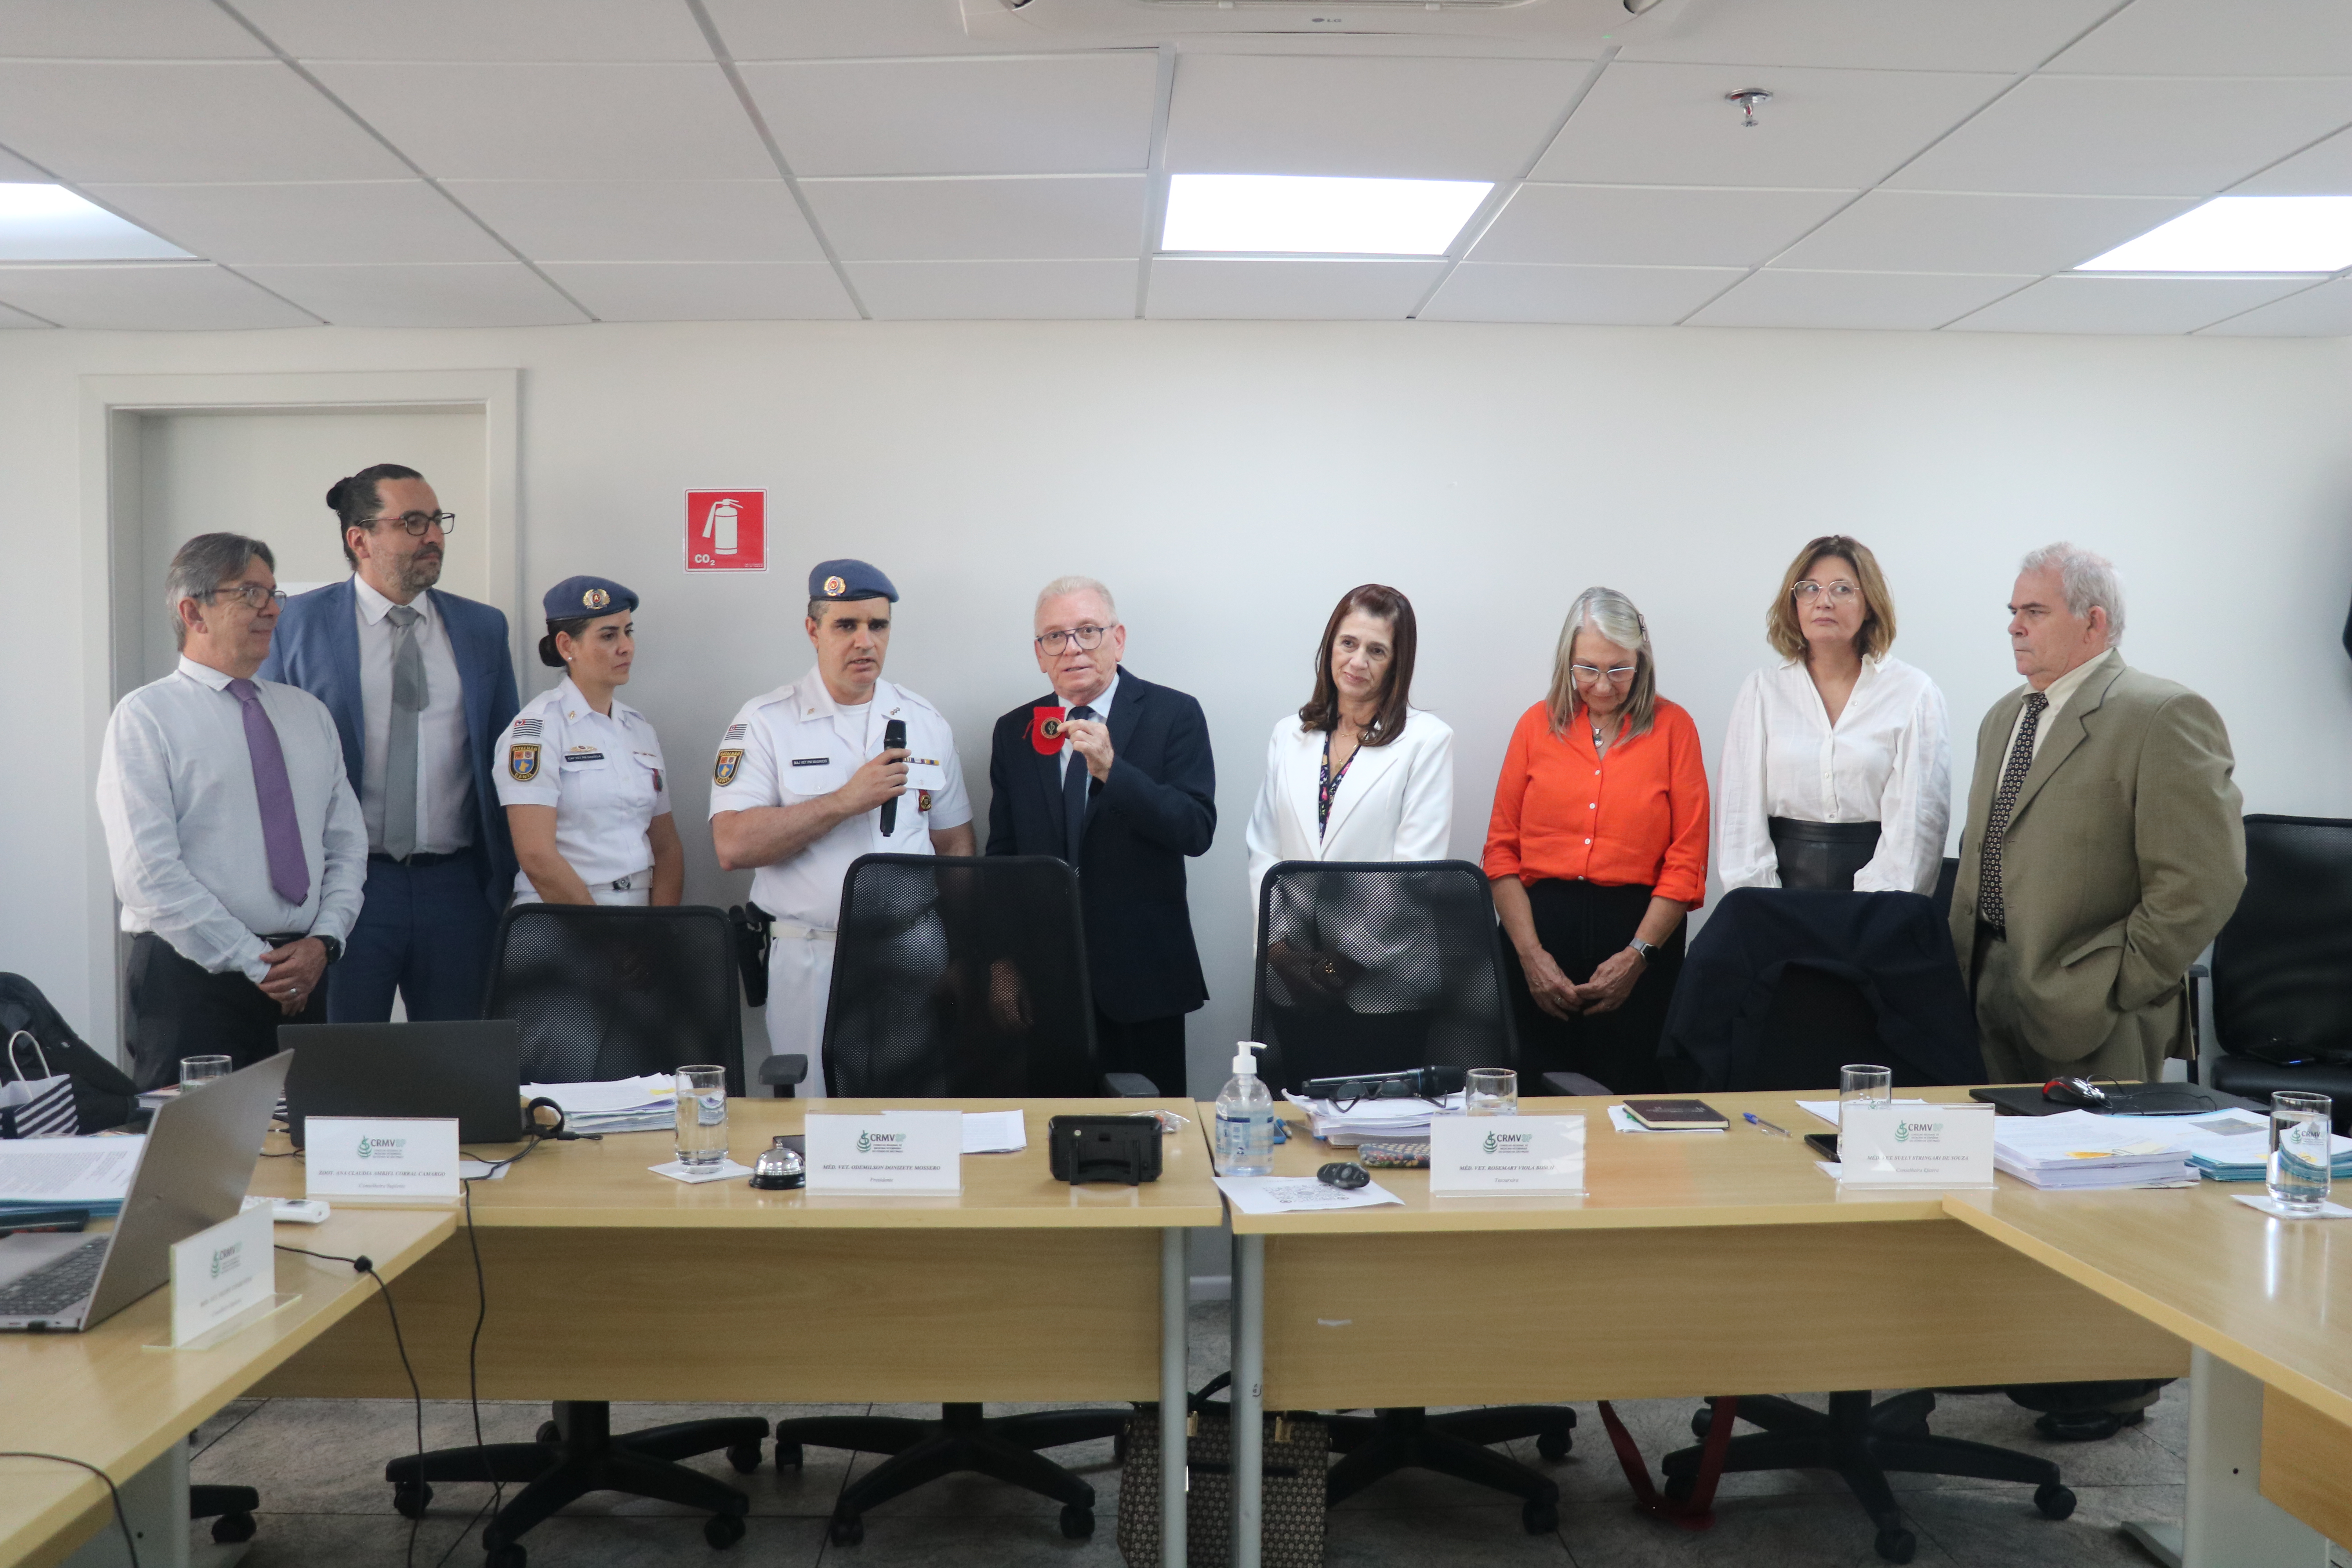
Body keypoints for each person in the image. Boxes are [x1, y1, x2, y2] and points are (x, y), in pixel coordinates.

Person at [1951, 544, 2243, 1085]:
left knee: (2100, 1168)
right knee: (1996, 1168)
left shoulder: (2161, 715)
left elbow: (2204, 880)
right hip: (1984, 993)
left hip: (2094, 1007)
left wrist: (2121, 983)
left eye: (2034, 612)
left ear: (2093, 623)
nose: (2015, 627)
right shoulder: (2002, 718)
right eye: (2013, 612)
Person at [96, 534, 366, 1090]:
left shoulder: (307, 715)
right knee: (193, 1163)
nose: (271, 608)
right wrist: (254, 960)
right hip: (192, 978)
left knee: (304, 1153)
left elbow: (345, 845)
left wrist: (324, 942)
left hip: (304, 975)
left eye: (273, 593)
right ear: (192, 611)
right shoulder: (146, 717)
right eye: (249, 593)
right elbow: (147, 874)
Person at [257, 463, 519, 1023]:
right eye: (414, 522)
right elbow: (267, 765)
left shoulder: (482, 630)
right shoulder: (294, 626)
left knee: (460, 1071)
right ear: (361, 539)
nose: (434, 536)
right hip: (346, 888)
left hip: (457, 888)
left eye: (438, 520)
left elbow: (505, 762)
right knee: (344, 1072)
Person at [710, 561, 974, 1096]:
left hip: (912, 948)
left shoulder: (925, 720)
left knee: (914, 1114)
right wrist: (844, 801)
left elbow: (955, 845)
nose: (864, 642)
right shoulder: (765, 722)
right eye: (846, 625)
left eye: (877, 626)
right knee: (817, 1115)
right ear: (813, 630)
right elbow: (732, 845)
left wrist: (963, 951)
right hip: (814, 954)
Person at [987, 576, 1216, 1098]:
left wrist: (1114, 770)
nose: (1073, 649)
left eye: (1088, 631)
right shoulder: (1015, 731)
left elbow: (1196, 829)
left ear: (1119, 639)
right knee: (1050, 1142)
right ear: (1040, 655)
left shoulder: (1174, 714)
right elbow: (1001, 861)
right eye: (1055, 637)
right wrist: (1002, 964)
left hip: (1144, 978)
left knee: (1150, 1144)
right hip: (1045, 983)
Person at [1485, 587, 1708, 1096]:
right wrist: (1530, 957)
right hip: (1538, 944)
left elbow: (1687, 860)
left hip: (1640, 948)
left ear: (1642, 659)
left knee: (1631, 1106)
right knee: (1536, 1106)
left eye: (1619, 669)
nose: (1603, 686)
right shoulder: (1533, 727)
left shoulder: (1676, 730)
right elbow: (1500, 853)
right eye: (1587, 669)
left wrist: (1637, 956)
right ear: (1567, 660)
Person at [1242, 586, 1453, 1080]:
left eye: (1377, 650)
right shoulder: (1289, 734)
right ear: (1329, 647)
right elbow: (1264, 850)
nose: (1358, 661)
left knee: (1378, 1137)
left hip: (1385, 984)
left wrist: (1338, 966)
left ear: (1397, 664)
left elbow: (1413, 871)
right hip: (1295, 979)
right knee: (1298, 1128)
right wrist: (1283, 954)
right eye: (1348, 643)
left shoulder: (1427, 740)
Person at [1717, 535, 1950, 895]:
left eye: (1842, 589)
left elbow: (1919, 828)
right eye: (1809, 588)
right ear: (1794, 602)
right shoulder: (1762, 691)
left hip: (1880, 905)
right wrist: (1764, 903)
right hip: (1776, 898)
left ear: (1870, 604)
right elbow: (1739, 819)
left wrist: (1867, 913)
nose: (1823, 601)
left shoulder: (1914, 694)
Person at [494, 577, 681, 907]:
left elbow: (666, 848)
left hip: (640, 917)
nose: (626, 646)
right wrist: (606, 941)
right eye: (609, 636)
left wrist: (660, 935)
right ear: (567, 646)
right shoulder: (537, 731)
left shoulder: (638, 729)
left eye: (628, 631)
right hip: (564, 918)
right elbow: (537, 856)